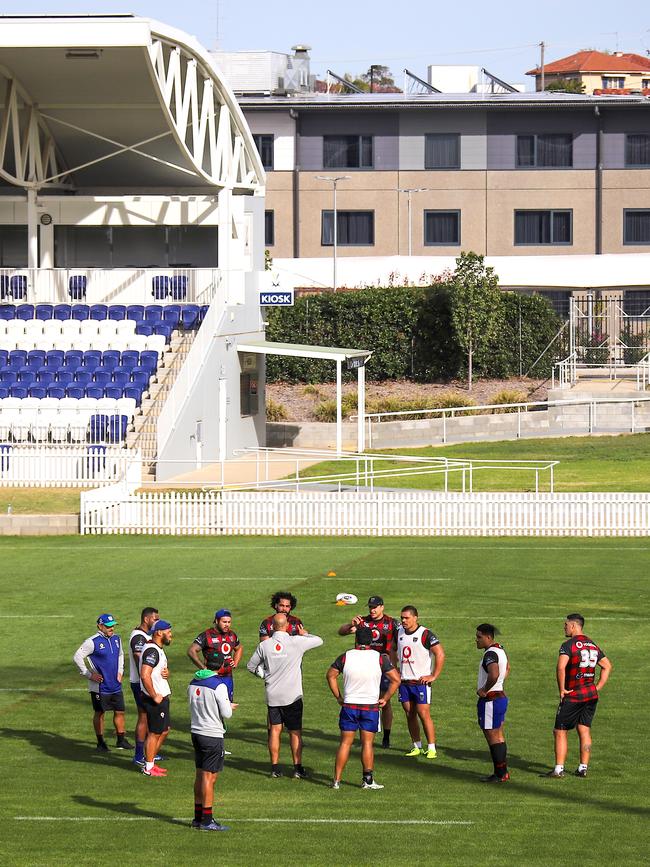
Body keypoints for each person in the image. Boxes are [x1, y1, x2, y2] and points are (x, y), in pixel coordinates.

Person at [246, 613, 323, 778]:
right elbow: (319, 640)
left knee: (275, 730)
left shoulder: (265, 645)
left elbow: (251, 666)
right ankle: (297, 768)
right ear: (287, 626)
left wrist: (265, 675)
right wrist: (305, 634)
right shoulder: (296, 642)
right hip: (292, 695)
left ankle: (274, 768)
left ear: (272, 627)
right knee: (295, 732)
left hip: (273, 694)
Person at [326, 626, 400, 790]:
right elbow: (396, 679)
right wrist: (385, 698)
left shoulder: (346, 656)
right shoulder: (379, 658)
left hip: (350, 706)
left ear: (356, 640)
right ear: (371, 641)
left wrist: (338, 696)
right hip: (370, 707)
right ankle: (367, 780)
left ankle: (336, 781)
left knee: (345, 743)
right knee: (367, 744)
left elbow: (330, 675)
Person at [545, 613, 612, 778]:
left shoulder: (569, 645)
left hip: (574, 694)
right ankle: (583, 768)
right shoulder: (592, 644)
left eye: (566, 624)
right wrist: (598, 687)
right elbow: (607, 666)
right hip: (590, 695)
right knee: (584, 729)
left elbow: (561, 667)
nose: (564, 627)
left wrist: (562, 689)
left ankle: (558, 769)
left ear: (574, 626)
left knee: (560, 731)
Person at [338, 595, 399, 748]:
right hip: (363, 665)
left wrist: (395, 662)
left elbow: (401, 640)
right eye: (370, 607)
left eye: (375, 607)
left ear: (382, 607)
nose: (372, 610)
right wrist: (350, 624)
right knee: (361, 698)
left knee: (385, 701)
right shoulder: (362, 622)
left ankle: (386, 735)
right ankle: (362, 734)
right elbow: (342, 632)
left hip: (382, 665)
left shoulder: (391, 623)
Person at [187, 661, 237, 832]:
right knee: (209, 778)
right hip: (212, 735)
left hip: (196, 732)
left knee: (200, 775)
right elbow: (227, 714)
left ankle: (198, 817)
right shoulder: (219, 685)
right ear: (222, 666)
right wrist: (228, 706)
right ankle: (207, 820)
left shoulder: (193, 682)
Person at [73, 613, 131, 752]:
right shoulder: (92, 641)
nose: (112, 628)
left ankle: (121, 740)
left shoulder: (117, 639)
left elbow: (121, 655)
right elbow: (77, 656)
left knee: (120, 711)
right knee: (100, 713)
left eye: (113, 626)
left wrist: (120, 671)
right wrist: (88, 674)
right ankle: (100, 742)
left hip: (115, 684)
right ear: (100, 626)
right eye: (108, 626)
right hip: (100, 687)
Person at [396, 605, 445, 759]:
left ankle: (431, 747)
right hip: (404, 682)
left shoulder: (425, 634)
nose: (403, 620)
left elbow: (440, 654)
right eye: (402, 617)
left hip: (420, 683)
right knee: (409, 713)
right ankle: (416, 746)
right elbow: (392, 651)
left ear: (415, 618)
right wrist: (394, 668)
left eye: (406, 618)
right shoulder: (399, 632)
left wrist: (433, 676)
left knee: (423, 714)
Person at [475, 623, 510, 783]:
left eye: (479, 637)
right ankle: (503, 771)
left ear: (488, 637)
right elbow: (507, 668)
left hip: (491, 700)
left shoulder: (490, 654)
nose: (476, 640)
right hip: (500, 697)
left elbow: (494, 673)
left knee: (492, 736)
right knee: (499, 735)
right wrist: (499, 682)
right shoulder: (500, 650)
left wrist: (484, 689)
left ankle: (500, 773)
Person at [139, 619, 173, 777]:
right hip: (155, 699)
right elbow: (145, 675)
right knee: (154, 732)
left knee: (164, 730)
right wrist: (154, 695)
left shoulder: (156, 649)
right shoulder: (152, 650)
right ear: (159, 632)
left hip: (161, 696)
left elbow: (154, 671)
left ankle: (149, 761)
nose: (170, 635)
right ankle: (148, 767)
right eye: (168, 631)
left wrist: (166, 673)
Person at [128, 606, 160, 766]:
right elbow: (138, 658)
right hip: (140, 684)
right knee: (144, 716)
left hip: (144, 682)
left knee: (148, 716)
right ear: (146, 619)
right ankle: (139, 755)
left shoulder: (144, 635)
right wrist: (147, 679)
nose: (157, 622)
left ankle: (149, 751)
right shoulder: (139, 637)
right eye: (155, 619)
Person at [188, 609, 242, 700]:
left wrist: (235, 662)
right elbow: (191, 651)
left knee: (227, 706)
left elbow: (239, 647)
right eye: (224, 622)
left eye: (229, 622)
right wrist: (203, 667)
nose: (227, 625)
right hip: (211, 677)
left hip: (227, 677)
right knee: (212, 706)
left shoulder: (232, 635)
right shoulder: (206, 635)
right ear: (216, 621)